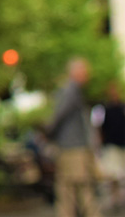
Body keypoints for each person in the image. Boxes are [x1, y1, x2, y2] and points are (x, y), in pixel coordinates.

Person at [46, 57, 103, 217]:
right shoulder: (71, 90)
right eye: (85, 71)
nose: (88, 75)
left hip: (72, 147)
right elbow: (59, 116)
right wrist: (50, 132)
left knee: (70, 190)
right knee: (77, 189)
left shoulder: (71, 90)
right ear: (76, 72)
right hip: (73, 148)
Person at [99, 81, 125, 213]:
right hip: (111, 145)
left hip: (122, 144)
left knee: (120, 174)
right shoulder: (105, 109)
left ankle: (120, 199)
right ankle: (115, 199)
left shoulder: (122, 107)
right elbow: (100, 128)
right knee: (112, 174)